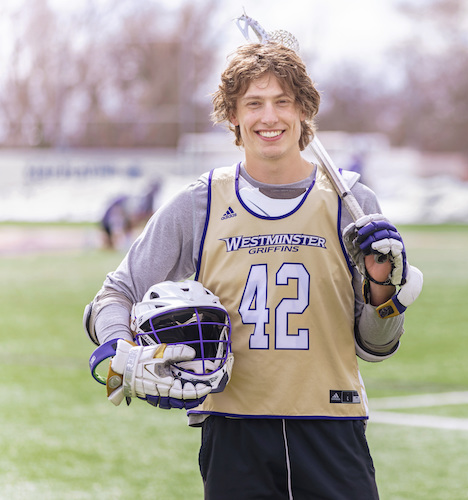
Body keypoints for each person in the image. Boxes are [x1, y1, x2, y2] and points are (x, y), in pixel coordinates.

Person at [83, 42, 422, 499]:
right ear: (233, 117)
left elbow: (377, 346)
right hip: (232, 431)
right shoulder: (199, 203)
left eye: (283, 102)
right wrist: (118, 346)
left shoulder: (353, 204)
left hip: (332, 425)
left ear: (304, 109)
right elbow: (116, 293)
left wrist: (383, 287)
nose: (269, 117)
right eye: (254, 104)